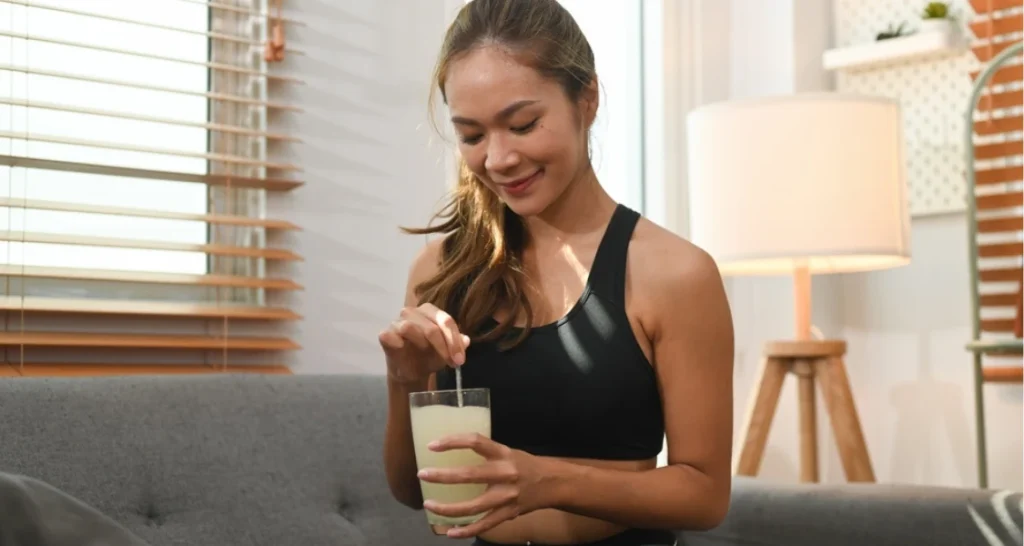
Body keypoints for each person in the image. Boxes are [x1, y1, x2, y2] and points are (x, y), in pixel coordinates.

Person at [379, 0, 734, 544]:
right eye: (472, 135)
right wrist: (404, 381)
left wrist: (545, 481)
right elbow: (411, 490)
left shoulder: (677, 274)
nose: (497, 158)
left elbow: (704, 494)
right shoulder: (440, 273)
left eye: (522, 124)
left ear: (586, 99)